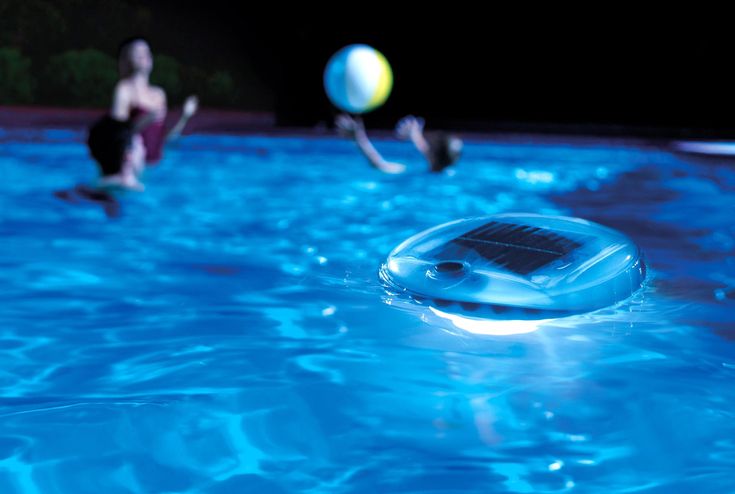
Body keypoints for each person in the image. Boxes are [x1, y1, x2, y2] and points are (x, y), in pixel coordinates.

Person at [112, 37, 198, 165]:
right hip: (132, 167)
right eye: (138, 52)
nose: (144, 56)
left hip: (155, 166)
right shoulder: (124, 90)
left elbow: (166, 140)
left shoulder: (159, 95)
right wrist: (144, 121)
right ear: (129, 58)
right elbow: (115, 134)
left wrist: (185, 116)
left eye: (147, 52)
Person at [335, 113, 463, 173]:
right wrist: (416, 136)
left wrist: (358, 138)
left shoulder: (416, 173)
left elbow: (380, 165)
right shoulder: (449, 176)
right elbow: (430, 154)